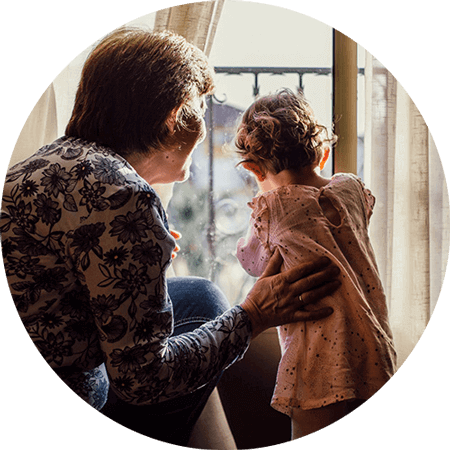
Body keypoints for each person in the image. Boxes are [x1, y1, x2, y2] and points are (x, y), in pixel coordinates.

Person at [0, 29, 341, 446]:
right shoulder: (126, 197)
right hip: (79, 389)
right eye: (199, 108)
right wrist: (254, 316)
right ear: (173, 117)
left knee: (200, 296)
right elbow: (143, 380)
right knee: (218, 310)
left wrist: (139, 253)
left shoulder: (51, 159)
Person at [235, 89, 397, 439]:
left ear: (252, 168)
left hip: (317, 357)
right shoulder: (350, 188)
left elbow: (253, 261)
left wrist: (258, 216)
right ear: (323, 154)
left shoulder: (273, 207)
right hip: (371, 340)